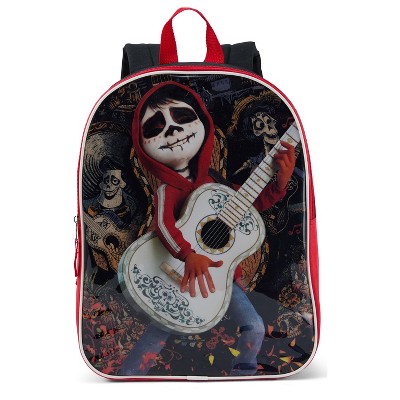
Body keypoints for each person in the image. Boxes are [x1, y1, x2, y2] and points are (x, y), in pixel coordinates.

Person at [120, 81, 295, 376]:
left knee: (254, 326)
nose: (173, 130)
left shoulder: (216, 183)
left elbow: (249, 204)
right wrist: (188, 254)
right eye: (156, 127)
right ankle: (128, 380)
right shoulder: (168, 189)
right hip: (172, 274)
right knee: (159, 331)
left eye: (182, 117)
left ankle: (243, 378)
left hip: (219, 282)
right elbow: (162, 224)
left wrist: (280, 183)